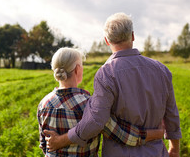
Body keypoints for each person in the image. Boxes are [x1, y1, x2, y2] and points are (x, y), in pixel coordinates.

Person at [44, 13, 182, 157]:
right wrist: (174, 149)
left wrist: (61, 140)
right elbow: (171, 114)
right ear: (133, 36)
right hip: (156, 152)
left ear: (107, 41)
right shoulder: (161, 70)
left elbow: (96, 121)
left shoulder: (106, 73)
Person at [38, 47, 164, 157]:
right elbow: (122, 134)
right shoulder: (90, 104)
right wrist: (155, 133)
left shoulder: (43, 104)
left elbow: (44, 146)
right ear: (77, 69)